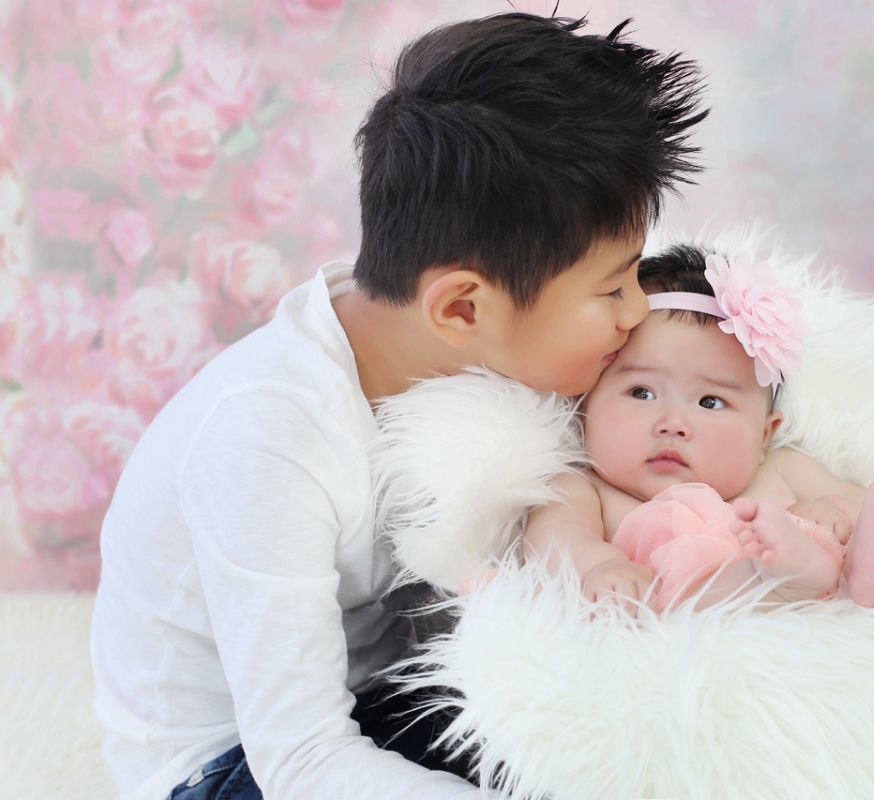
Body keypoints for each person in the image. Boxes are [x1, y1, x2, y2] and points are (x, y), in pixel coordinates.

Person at [90, 14, 707, 800]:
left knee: (651, 717)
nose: (636, 312)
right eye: (613, 287)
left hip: (393, 692)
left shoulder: (449, 340)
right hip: (235, 763)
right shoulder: (266, 440)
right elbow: (301, 762)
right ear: (462, 308)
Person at [524, 244, 874, 612]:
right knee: (693, 593)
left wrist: (834, 511)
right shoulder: (586, 486)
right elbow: (555, 537)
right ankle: (776, 581)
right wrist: (600, 566)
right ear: (584, 404)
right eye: (642, 393)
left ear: (764, 435)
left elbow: (856, 500)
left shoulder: (780, 468)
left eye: (710, 402)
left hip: (822, 583)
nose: (673, 425)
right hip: (699, 608)